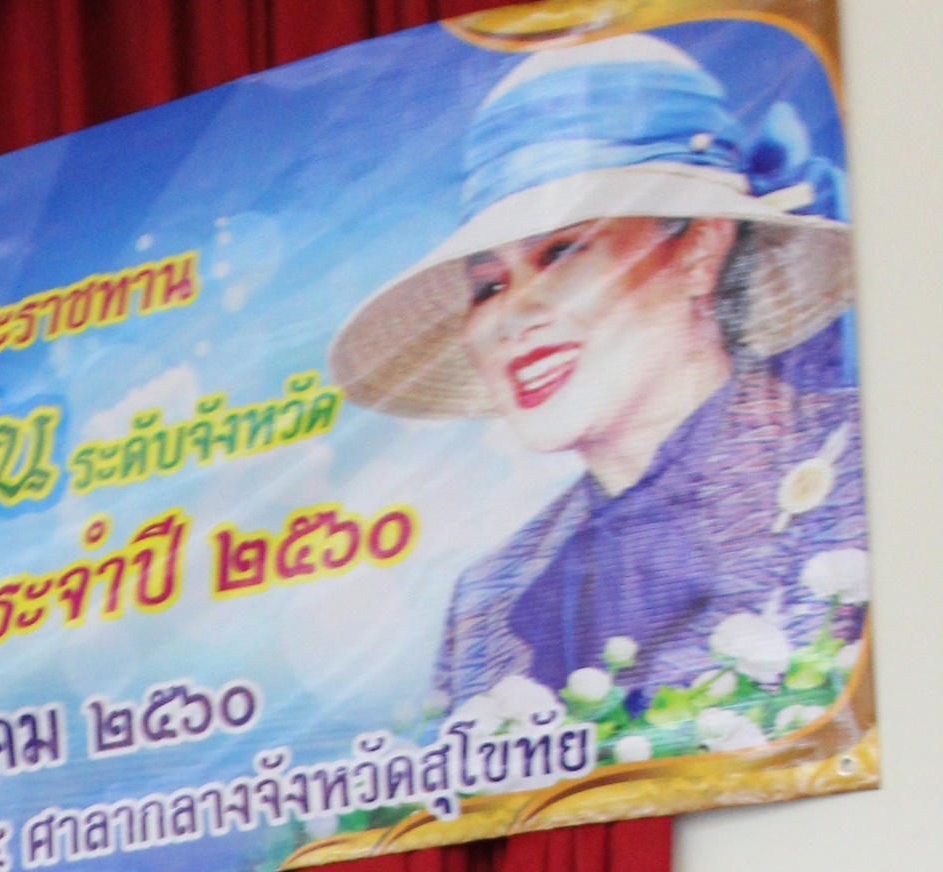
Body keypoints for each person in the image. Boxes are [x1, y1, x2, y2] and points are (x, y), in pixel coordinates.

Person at [331, 35, 864, 713]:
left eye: (561, 253)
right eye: (488, 287)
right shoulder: (487, 600)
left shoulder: (863, 464)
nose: (512, 316)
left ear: (700, 250)